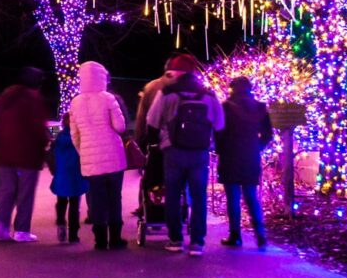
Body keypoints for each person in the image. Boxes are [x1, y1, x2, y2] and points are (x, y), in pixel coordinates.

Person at [146, 54, 224, 256]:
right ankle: (197, 242)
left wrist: (155, 143)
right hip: (199, 152)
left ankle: (175, 240)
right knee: (198, 196)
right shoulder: (209, 94)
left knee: (172, 195)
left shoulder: (167, 92)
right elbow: (220, 124)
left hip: (173, 150)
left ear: (175, 73)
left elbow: (152, 121)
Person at [70, 61, 127, 250]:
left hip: (89, 159)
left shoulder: (75, 102)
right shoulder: (108, 98)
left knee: (96, 199)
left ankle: (100, 240)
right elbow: (120, 126)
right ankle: (116, 238)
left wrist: (83, 151)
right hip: (113, 156)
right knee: (114, 197)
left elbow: (74, 135)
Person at [0, 67, 50, 242]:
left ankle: (1, 227)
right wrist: (45, 142)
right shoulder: (33, 100)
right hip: (27, 154)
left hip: (4, 152)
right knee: (25, 192)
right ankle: (22, 231)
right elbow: (38, 128)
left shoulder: (6, 98)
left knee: (6, 191)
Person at [216, 77, 273, 249]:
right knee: (251, 195)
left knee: (233, 197)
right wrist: (257, 147)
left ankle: (235, 235)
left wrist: (220, 150)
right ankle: (260, 235)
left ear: (232, 88)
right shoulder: (260, 107)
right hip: (251, 156)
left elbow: (218, 133)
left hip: (230, 156)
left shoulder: (225, 107)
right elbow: (268, 134)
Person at [50, 113, 88, 243]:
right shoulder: (79, 138)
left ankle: (61, 222)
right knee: (74, 204)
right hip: (75, 175)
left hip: (62, 174)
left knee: (61, 201)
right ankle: (73, 233)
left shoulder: (59, 138)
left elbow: (53, 155)